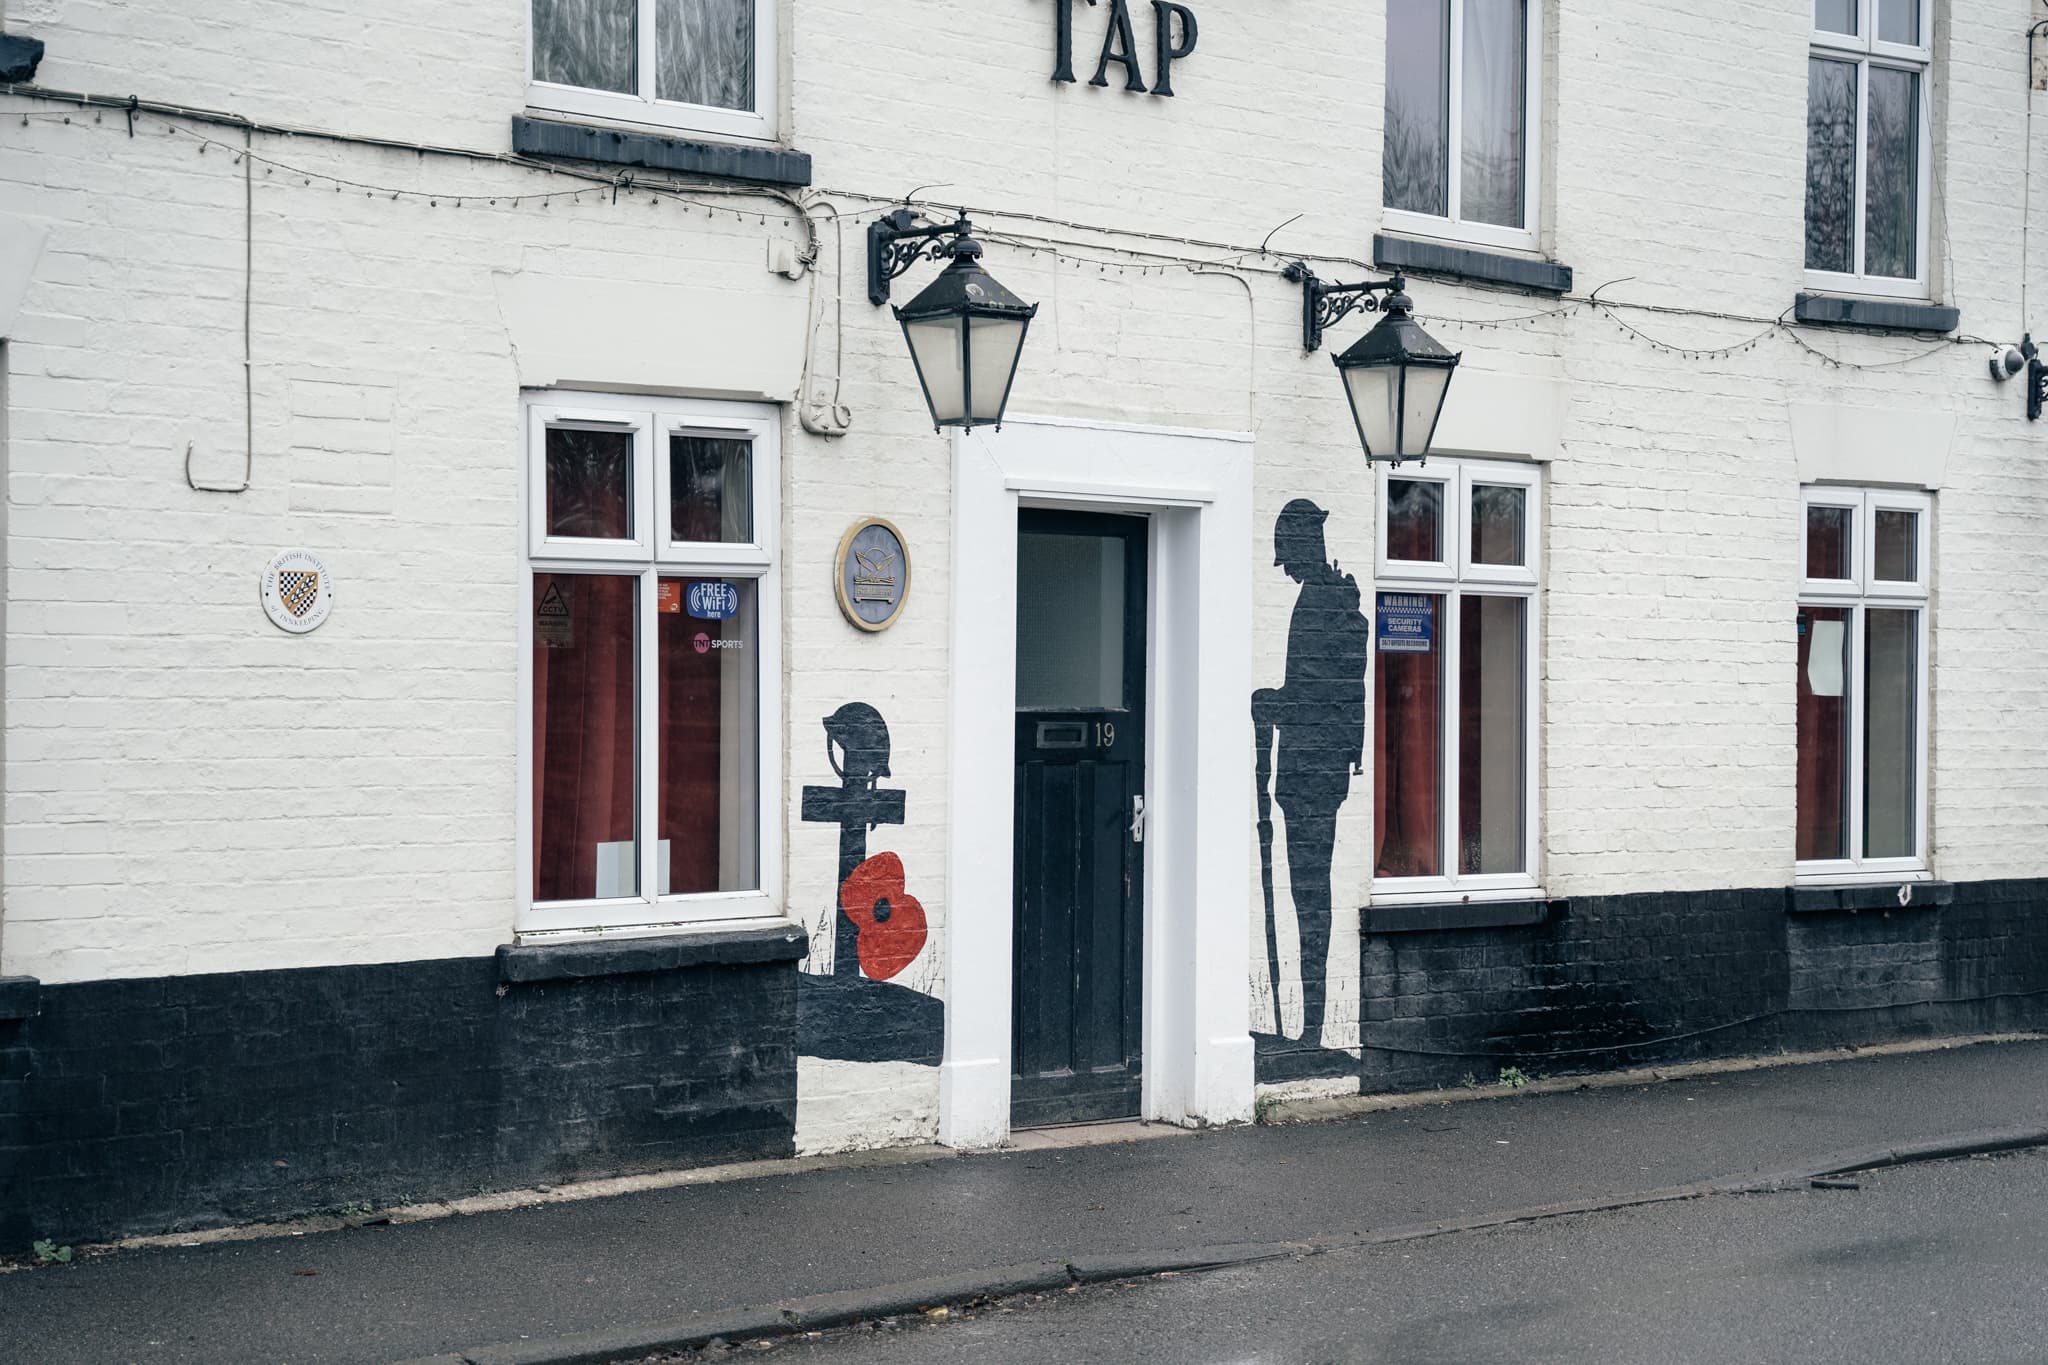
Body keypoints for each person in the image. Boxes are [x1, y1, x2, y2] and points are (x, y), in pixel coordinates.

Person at [1253, 499, 1369, 1051]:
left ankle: (1313, 1029)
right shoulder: (1323, 597)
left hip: (1311, 778)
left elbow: (1321, 697)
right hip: (1312, 774)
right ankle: (1312, 1026)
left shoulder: (1324, 600)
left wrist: (1270, 704)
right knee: (1309, 894)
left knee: (1310, 896)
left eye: (1288, 556)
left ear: (1304, 545)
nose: (1287, 568)